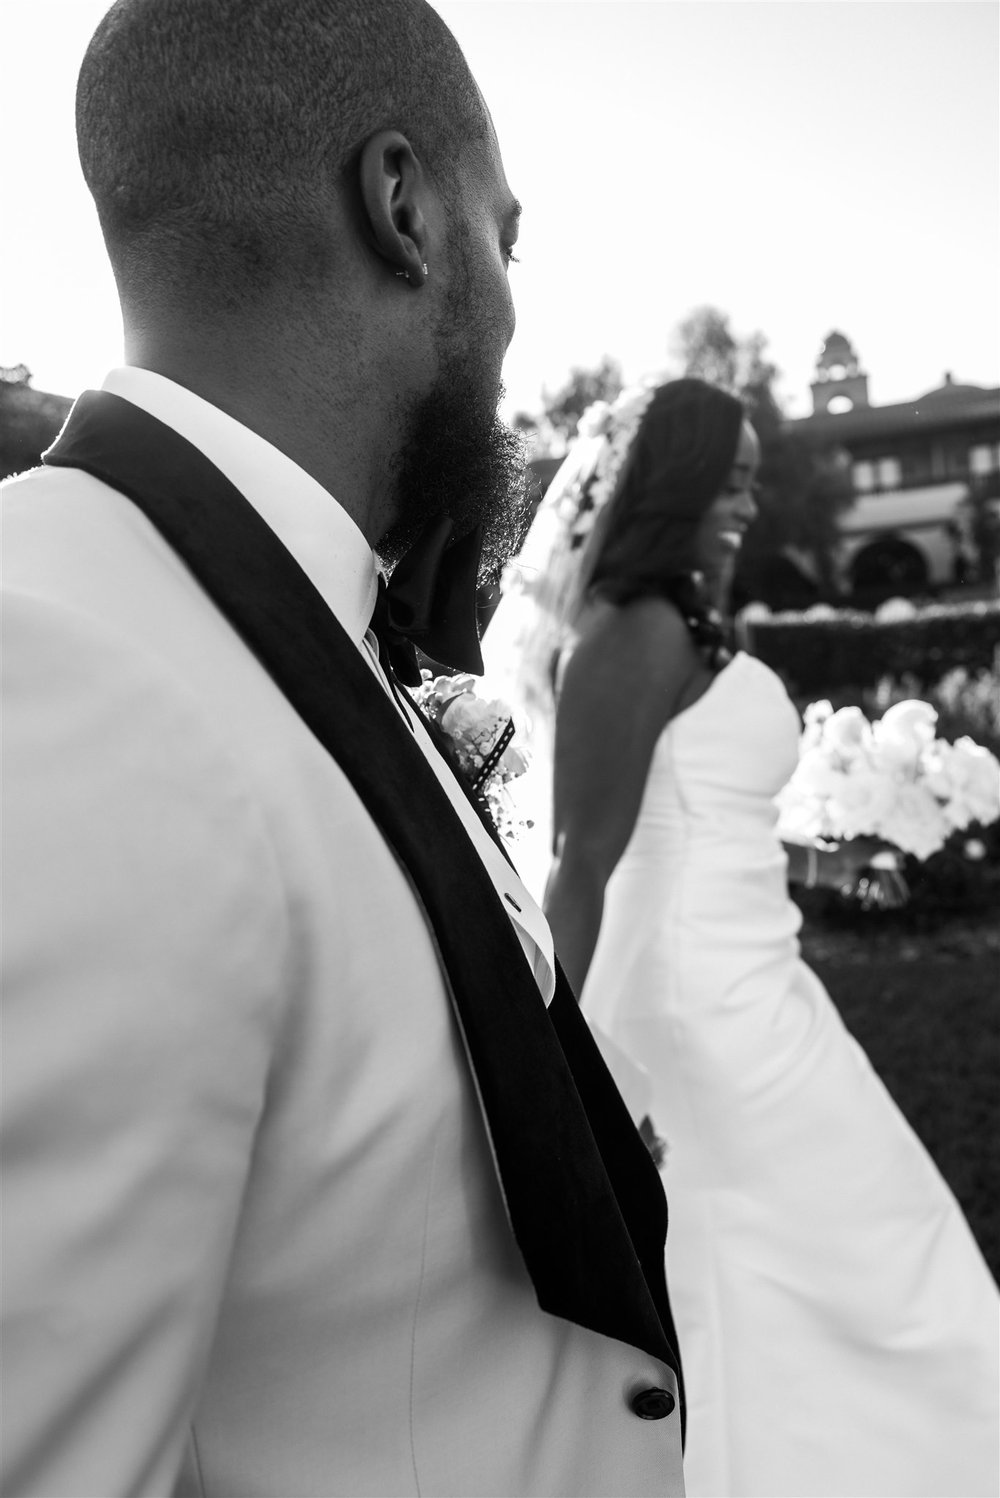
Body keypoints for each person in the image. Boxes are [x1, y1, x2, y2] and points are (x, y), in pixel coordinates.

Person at [0, 4, 685, 1494]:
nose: (513, 313)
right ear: (404, 208)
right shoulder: (60, 677)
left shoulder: (282, 608)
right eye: (507, 236)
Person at [484, 378, 1000, 1498]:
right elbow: (583, 860)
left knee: (848, 1256)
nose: (746, 503)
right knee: (821, 1258)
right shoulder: (630, 634)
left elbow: (710, 812)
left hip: (766, 989)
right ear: (669, 484)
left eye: (754, 481)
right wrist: (559, 1076)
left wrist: (827, 864)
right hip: (697, 1026)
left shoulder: (690, 622)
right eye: (728, 480)